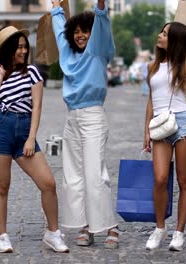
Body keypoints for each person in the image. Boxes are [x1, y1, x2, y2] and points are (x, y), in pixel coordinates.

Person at [0, 26, 69, 253]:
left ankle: (53, 233)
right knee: (1, 186)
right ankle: (2, 236)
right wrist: (0, 75)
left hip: (24, 131)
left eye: (24, 46)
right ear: (7, 49)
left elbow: (37, 106)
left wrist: (31, 138)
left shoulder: (32, 72)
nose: (23, 50)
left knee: (48, 183)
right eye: (18, 46)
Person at [51, 0, 120, 249]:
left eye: (85, 31)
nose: (80, 35)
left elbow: (101, 21)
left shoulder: (97, 50)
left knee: (94, 175)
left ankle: (111, 227)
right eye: (76, 31)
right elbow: (60, 31)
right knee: (73, 176)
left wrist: (100, 5)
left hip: (93, 117)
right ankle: (85, 227)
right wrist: (57, 8)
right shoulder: (68, 54)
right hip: (72, 118)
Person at [143, 0, 186, 251]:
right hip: (159, 127)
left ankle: (179, 232)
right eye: (161, 32)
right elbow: (151, 101)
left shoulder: (183, 64)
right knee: (160, 178)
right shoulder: (152, 66)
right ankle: (159, 228)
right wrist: (146, 130)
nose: (159, 35)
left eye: (165, 33)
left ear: (174, 39)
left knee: (184, 181)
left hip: (183, 122)